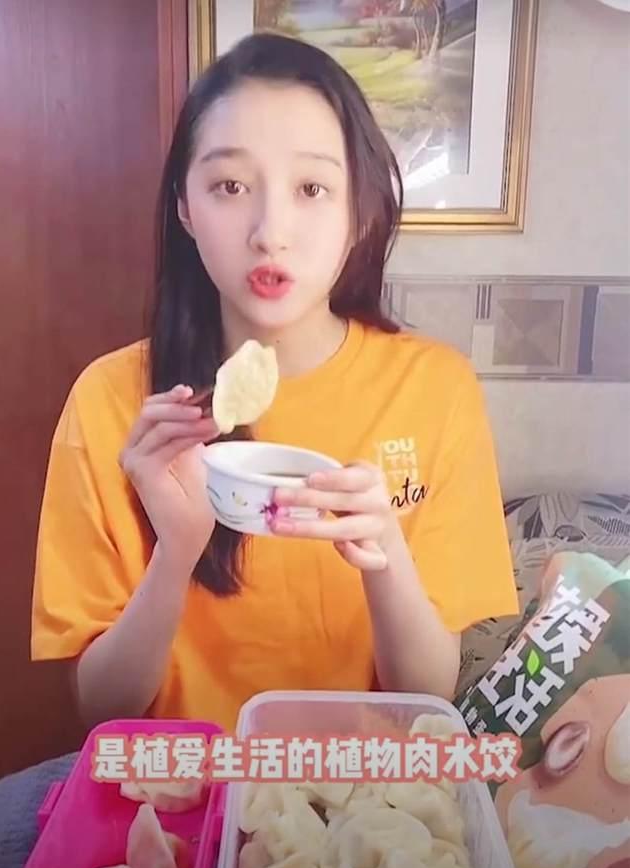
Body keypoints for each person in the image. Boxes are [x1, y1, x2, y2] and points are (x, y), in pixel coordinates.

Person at [31, 33, 518, 732]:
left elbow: (427, 690)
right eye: (230, 187)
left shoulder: (436, 389)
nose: (270, 232)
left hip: (351, 785)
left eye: (312, 189)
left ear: (361, 211)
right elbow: (102, 710)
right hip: (184, 786)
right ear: (184, 206)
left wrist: (382, 549)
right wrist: (176, 552)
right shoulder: (111, 402)